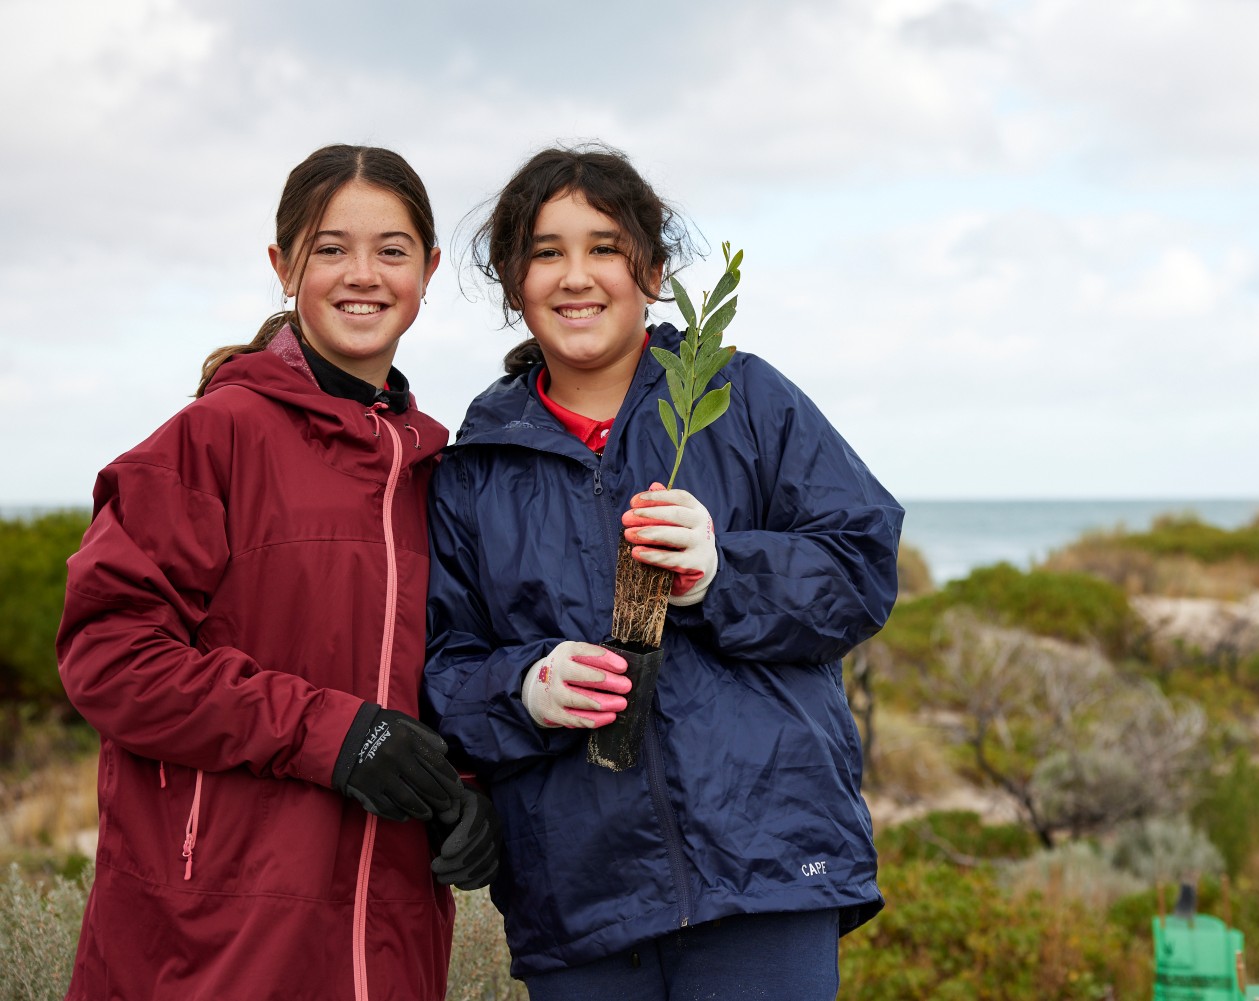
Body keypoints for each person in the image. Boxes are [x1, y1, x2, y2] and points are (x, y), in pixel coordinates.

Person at [424, 143, 903, 1000]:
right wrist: (525, 688)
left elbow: (862, 563)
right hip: (580, 900)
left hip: (763, 873)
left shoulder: (744, 397)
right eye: (545, 251)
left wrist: (727, 571)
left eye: (604, 247)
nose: (577, 276)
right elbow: (441, 670)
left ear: (650, 268)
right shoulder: (472, 471)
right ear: (512, 281)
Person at [56, 144, 499, 1001]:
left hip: (389, 939)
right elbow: (109, 657)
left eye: (393, 250)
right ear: (283, 264)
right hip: (214, 945)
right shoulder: (209, 440)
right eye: (331, 248)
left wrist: (466, 792)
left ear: (430, 269)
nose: (362, 275)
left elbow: (443, 671)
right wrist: (334, 736)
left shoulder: (439, 472)